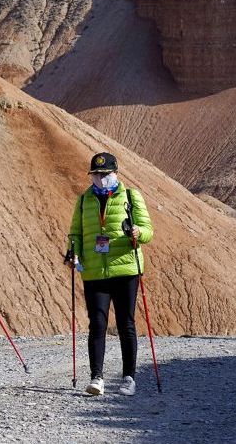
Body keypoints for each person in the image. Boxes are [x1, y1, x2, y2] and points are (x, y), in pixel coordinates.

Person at [67, 152, 154, 397]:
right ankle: (97, 377)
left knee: (126, 323)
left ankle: (129, 378)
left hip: (125, 269)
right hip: (94, 271)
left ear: (116, 173)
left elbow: (148, 231)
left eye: (105, 174)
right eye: (96, 174)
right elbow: (75, 233)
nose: (100, 178)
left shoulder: (131, 196)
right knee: (97, 324)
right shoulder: (84, 200)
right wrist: (73, 252)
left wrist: (137, 232)